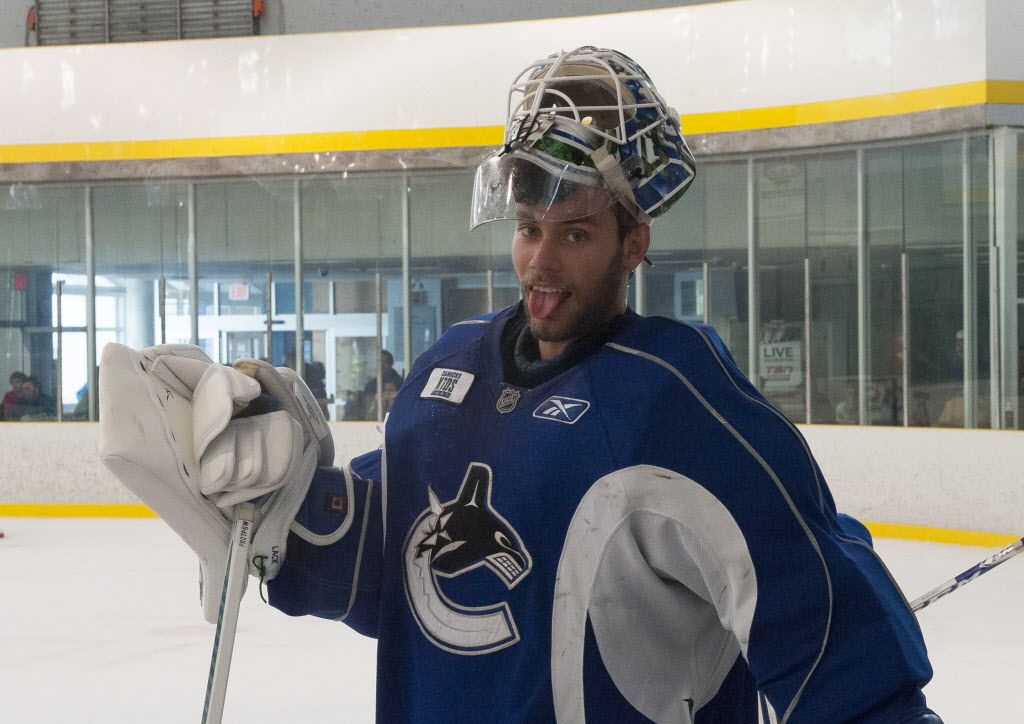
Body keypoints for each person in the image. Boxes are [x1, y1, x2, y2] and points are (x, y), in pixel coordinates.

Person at [100, 47, 940, 722]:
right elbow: (382, 567)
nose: (541, 260)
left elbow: (825, 619)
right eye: (530, 229)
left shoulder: (677, 400)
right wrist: (277, 504)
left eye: (575, 233)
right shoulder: (446, 371)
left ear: (634, 243)